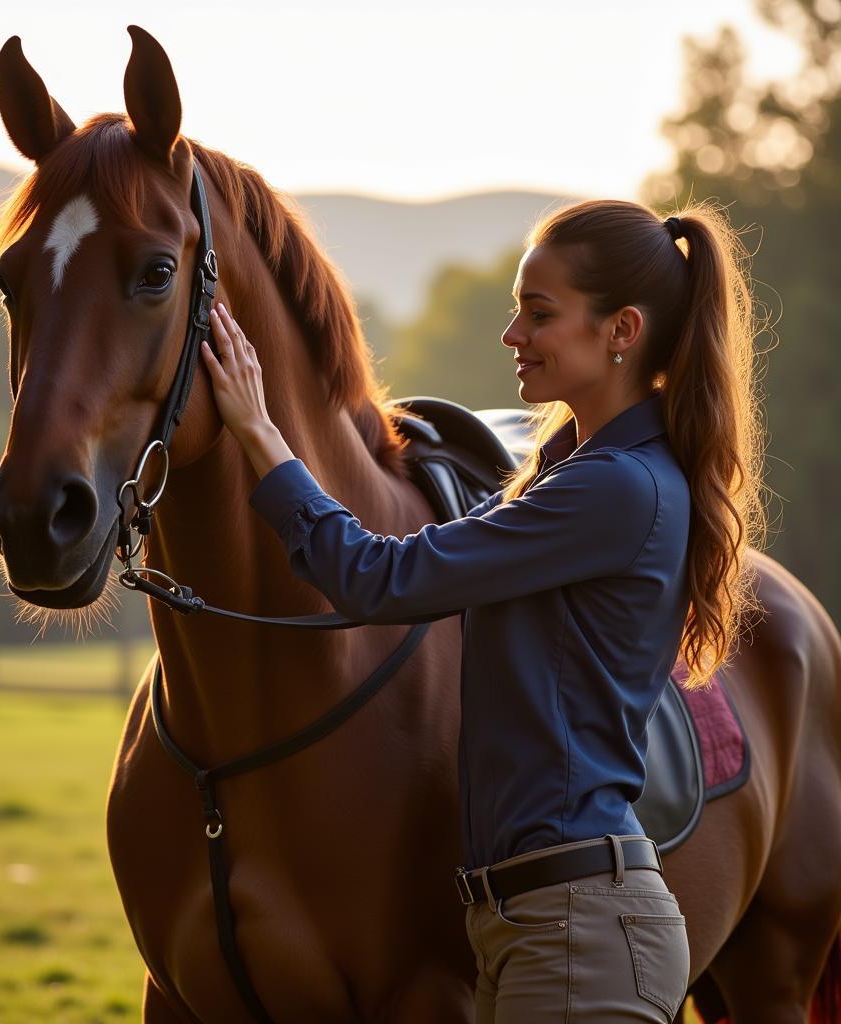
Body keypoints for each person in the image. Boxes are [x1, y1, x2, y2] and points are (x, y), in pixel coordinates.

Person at [198, 198, 766, 1022]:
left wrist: (263, 437)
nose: (513, 334)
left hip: (578, 931)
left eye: (540, 313)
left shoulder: (613, 490)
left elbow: (376, 580)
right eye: (515, 310)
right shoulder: (581, 476)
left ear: (621, 330)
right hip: (533, 924)